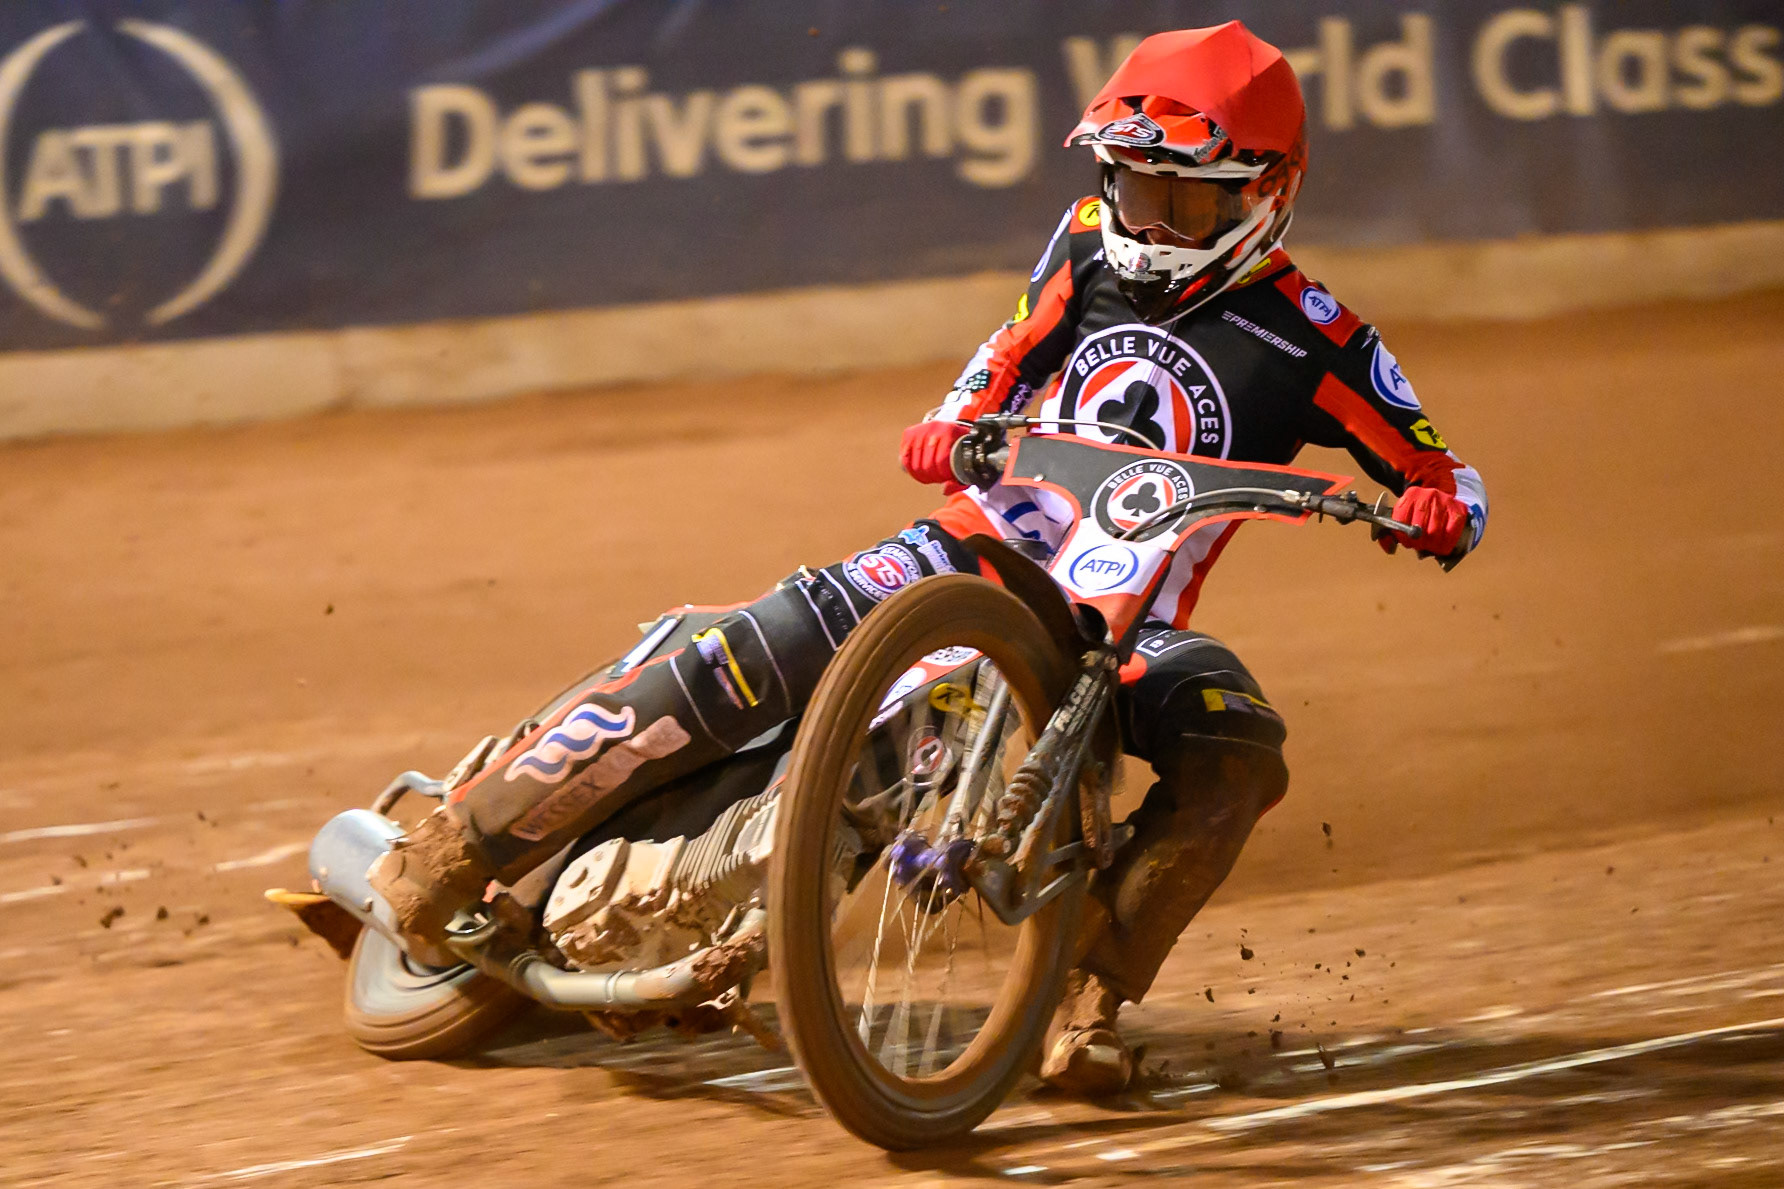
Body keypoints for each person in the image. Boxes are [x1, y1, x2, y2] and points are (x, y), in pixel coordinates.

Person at [366, 21, 1487, 1096]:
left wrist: (1436, 511)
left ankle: (1086, 997)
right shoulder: (1084, 242)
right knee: (744, 653)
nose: (1150, 216)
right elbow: (1002, 356)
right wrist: (949, 421)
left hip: (1124, 624)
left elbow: (1440, 473)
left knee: (1236, 750)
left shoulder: (1320, 339)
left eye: (1184, 195)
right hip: (968, 549)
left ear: (1265, 189)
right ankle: (454, 845)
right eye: (1135, 185)